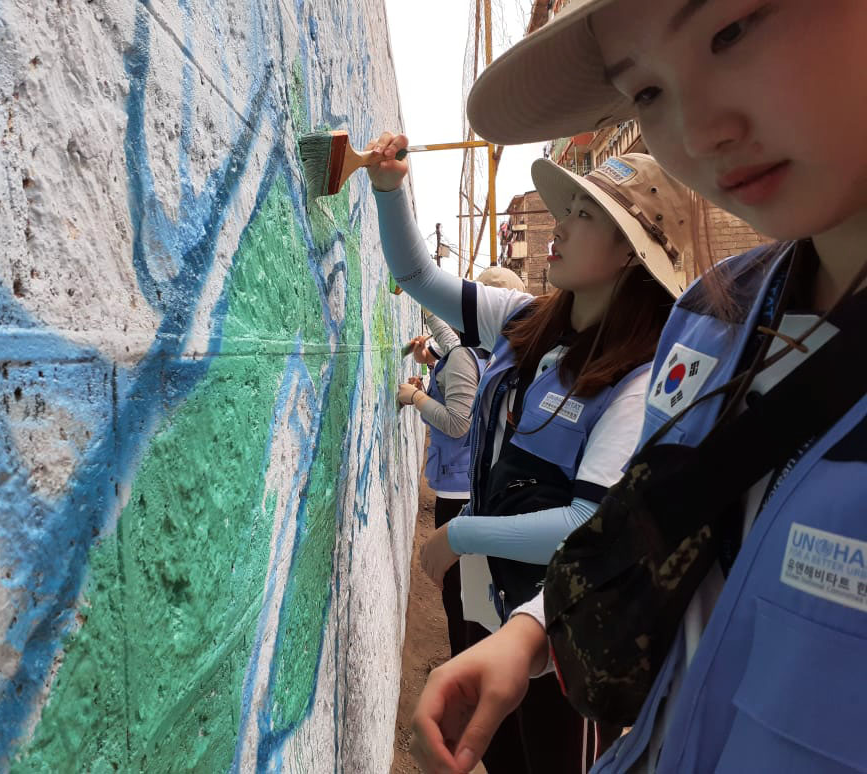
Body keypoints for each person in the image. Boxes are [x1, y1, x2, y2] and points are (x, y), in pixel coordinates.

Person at [408, 1, 867, 773]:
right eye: (646, 92)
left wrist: (464, 537)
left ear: (627, 254)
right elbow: (652, 535)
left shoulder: (642, 361)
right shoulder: (711, 324)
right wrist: (532, 631)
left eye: (732, 31)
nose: (696, 130)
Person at [370, 139, 695, 772]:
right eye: (569, 207)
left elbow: (585, 524)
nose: (560, 226)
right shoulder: (524, 319)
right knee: (501, 755)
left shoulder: (639, 379)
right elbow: (416, 276)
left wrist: (461, 533)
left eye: (586, 215)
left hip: (561, 628)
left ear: (631, 251)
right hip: (492, 598)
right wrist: (388, 188)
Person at [398, 269, 526, 658]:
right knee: (476, 595)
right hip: (479, 484)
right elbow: (454, 351)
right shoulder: (499, 351)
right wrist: (434, 361)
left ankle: (463, 672)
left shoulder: (463, 356)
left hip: (459, 491)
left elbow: (458, 423)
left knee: (458, 597)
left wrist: (415, 398)